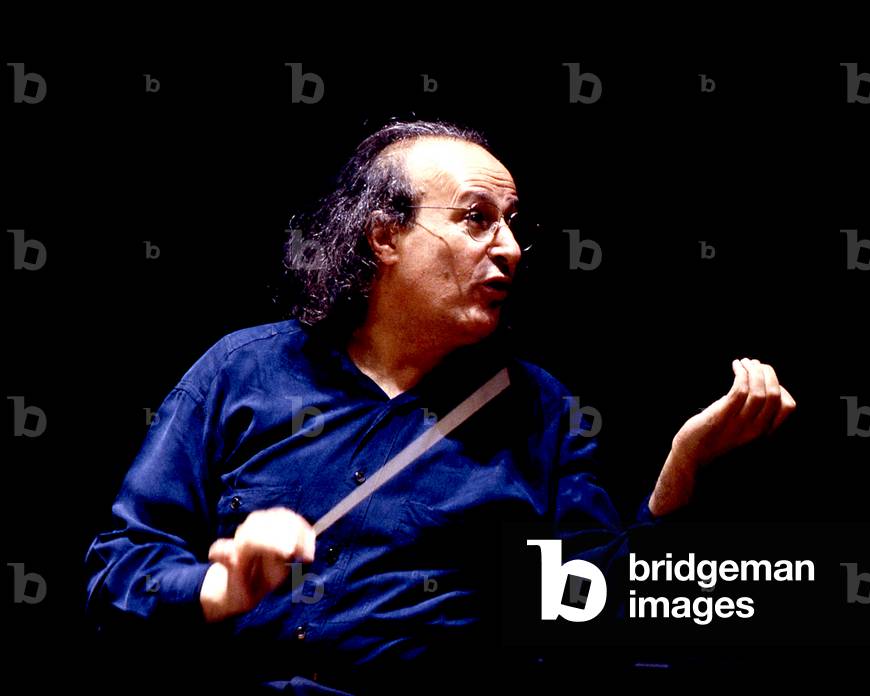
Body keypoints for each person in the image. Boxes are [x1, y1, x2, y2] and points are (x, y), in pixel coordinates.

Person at [84, 120, 795, 693]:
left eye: (512, 223)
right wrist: (220, 585)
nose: (510, 249)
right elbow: (117, 571)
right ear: (384, 235)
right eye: (474, 218)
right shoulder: (241, 371)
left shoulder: (539, 409)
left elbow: (599, 619)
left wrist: (683, 469)